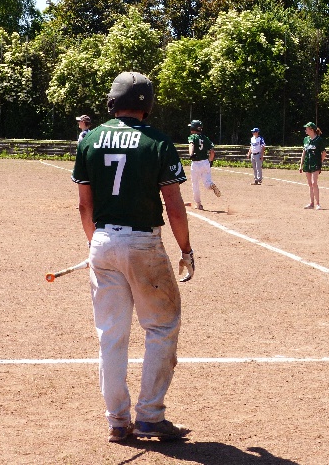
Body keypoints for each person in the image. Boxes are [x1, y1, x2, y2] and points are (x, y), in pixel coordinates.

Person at [72, 71, 193, 442]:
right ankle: (150, 416)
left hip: (102, 241)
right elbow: (173, 204)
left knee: (111, 335)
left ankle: (117, 420)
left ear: (113, 101)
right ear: (147, 104)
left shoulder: (90, 139)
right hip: (143, 243)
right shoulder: (157, 141)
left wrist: (96, 244)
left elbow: (84, 205)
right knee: (161, 325)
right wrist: (186, 249)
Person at [187, 119, 221, 210]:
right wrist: (210, 161)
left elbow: (191, 145)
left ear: (193, 128)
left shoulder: (192, 137)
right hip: (205, 162)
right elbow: (212, 151)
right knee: (207, 182)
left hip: (196, 163)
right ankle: (211, 185)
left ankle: (198, 204)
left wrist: (191, 154)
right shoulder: (205, 138)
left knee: (195, 184)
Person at [299, 122, 326, 210]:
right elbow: (304, 152)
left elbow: (324, 153)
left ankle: (318, 204)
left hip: (315, 164)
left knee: (314, 183)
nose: (305, 130)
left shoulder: (319, 140)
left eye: (307, 129)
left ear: (311, 129)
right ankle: (311, 203)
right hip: (307, 163)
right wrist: (301, 164)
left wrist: (320, 162)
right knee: (310, 184)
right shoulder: (306, 139)